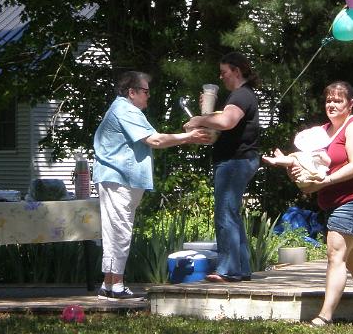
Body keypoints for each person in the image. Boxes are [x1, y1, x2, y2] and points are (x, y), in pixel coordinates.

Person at [93, 71, 212, 299]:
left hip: (119, 180)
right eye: (146, 92)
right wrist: (189, 137)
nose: (149, 96)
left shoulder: (125, 109)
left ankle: (108, 285)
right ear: (132, 92)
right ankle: (116, 286)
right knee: (119, 231)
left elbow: (154, 137)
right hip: (119, 180)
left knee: (115, 230)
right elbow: (155, 140)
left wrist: (185, 137)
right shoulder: (125, 110)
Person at [286, 81, 353, 327]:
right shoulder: (322, 132)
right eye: (328, 100)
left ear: (350, 104)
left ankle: (325, 316)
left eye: (338, 100)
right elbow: (308, 162)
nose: (332, 104)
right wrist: (290, 167)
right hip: (334, 201)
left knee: (335, 252)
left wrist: (324, 181)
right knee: (352, 261)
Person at [183, 52, 261, 282]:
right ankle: (242, 268)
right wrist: (208, 115)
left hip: (235, 162)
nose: (221, 76)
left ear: (236, 71)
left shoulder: (241, 95)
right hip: (239, 160)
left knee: (225, 214)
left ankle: (229, 270)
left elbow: (227, 122)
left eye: (224, 72)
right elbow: (223, 124)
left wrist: (199, 119)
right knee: (232, 214)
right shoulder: (241, 96)